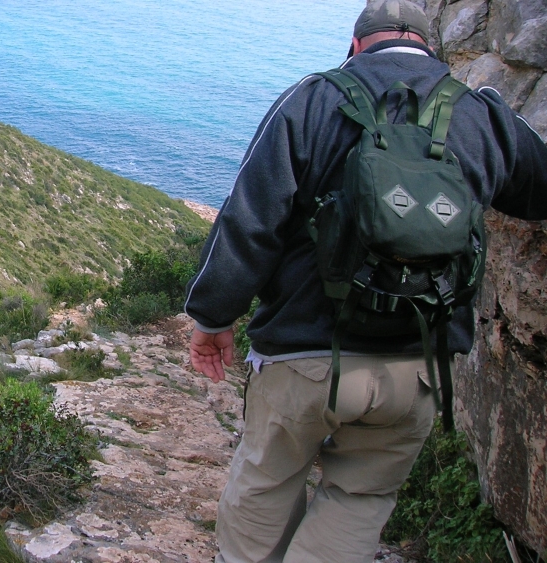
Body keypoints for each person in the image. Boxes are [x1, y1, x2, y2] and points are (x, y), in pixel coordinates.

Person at [183, 1, 547, 561]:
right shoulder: (479, 112)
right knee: (360, 496)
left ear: (355, 45)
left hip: (306, 354)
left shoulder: (311, 100)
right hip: (417, 363)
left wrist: (213, 317)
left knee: (265, 483)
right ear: (429, 47)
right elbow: (539, 190)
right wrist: (494, 117)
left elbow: (250, 220)